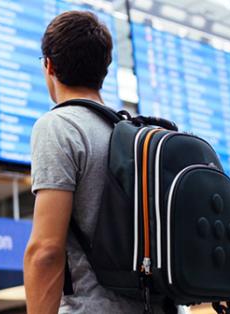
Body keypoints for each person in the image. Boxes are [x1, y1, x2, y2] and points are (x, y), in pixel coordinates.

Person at [24, 11, 162, 314]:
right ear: (105, 69)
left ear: (49, 65)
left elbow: (45, 250)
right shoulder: (133, 134)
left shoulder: (59, 126)